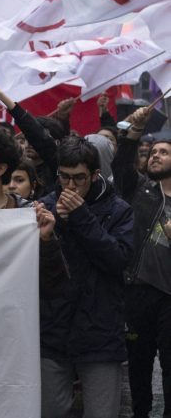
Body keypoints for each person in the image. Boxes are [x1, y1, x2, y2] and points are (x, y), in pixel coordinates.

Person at [38, 136, 133, 418]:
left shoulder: (118, 210)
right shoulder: (45, 206)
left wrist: (81, 216)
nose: (70, 186)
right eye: (64, 177)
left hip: (100, 331)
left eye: (78, 178)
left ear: (94, 175)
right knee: (50, 410)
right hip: (53, 329)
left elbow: (116, 260)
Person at [113, 107, 171, 418]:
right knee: (138, 363)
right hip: (136, 292)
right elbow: (121, 165)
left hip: (169, 297)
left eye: (164, 152)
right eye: (153, 151)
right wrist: (133, 133)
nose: (156, 155)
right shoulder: (140, 189)